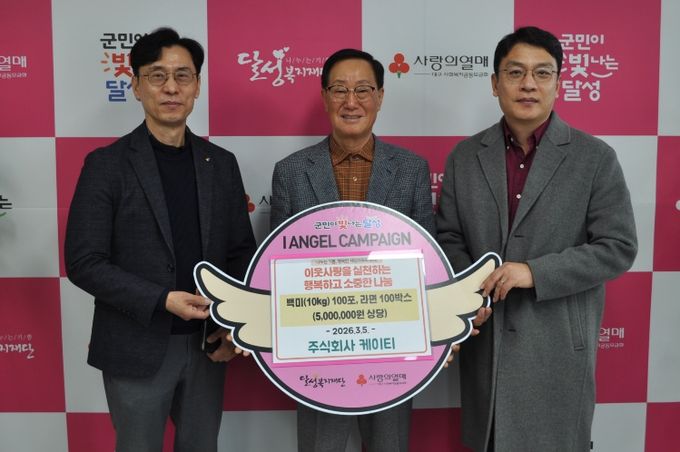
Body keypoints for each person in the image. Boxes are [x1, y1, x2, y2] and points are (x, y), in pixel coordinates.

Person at [270, 48, 489, 452]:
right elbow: (278, 267)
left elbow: (427, 263)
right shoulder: (291, 171)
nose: (351, 102)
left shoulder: (410, 169)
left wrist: (438, 330)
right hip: (318, 349)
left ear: (381, 97)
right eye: (339, 90)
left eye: (363, 90)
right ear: (324, 97)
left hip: (393, 347)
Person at [436, 26, 638, 451]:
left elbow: (618, 247)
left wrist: (534, 272)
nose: (529, 84)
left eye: (542, 73)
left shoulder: (595, 158)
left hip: (557, 350)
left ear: (558, 84)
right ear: (495, 83)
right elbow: (449, 236)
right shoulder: (464, 157)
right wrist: (469, 293)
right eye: (515, 72)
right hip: (487, 347)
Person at [65, 27, 256, 452]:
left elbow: (241, 252)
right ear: (136, 85)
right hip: (136, 345)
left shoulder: (221, 164)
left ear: (197, 86)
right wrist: (161, 299)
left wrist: (233, 325)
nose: (171, 87)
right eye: (157, 75)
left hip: (208, 344)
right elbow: (84, 262)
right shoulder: (106, 165)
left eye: (183, 76)